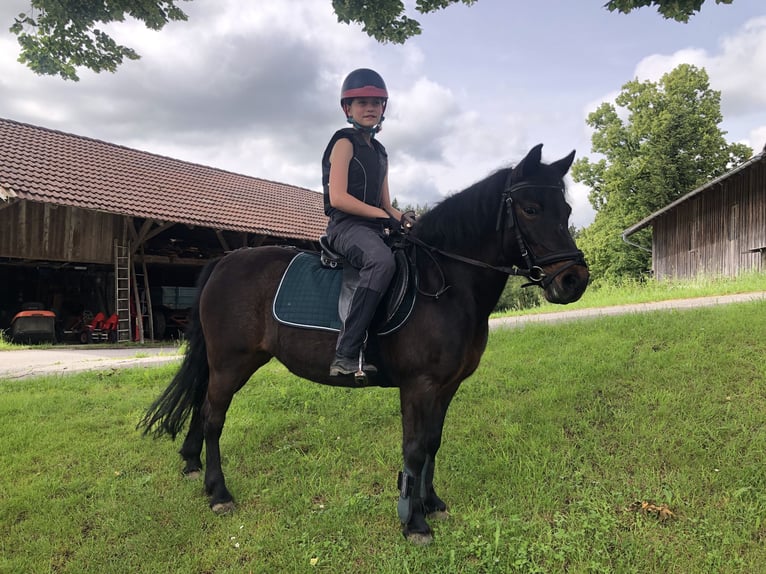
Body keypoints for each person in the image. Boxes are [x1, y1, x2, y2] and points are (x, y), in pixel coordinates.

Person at [322, 68, 414, 378]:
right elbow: (338, 198)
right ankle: (346, 352)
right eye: (361, 102)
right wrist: (385, 217)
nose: (369, 108)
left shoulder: (381, 153)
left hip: (374, 226)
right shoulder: (344, 143)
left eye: (376, 102)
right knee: (381, 261)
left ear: (383, 108)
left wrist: (406, 219)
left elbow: (386, 204)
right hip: (345, 227)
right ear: (347, 109)